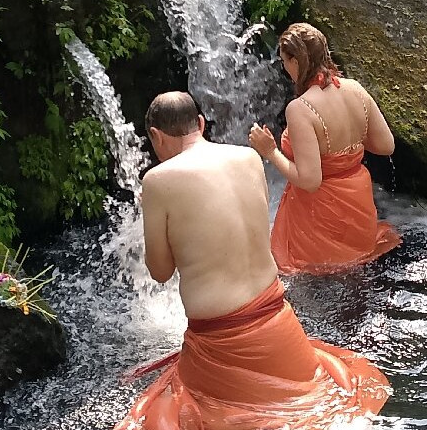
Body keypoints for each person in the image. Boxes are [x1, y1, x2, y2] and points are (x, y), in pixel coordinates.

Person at [114, 91, 390, 430]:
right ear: (200, 124)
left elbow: (160, 271)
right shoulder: (246, 157)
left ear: (156, 137)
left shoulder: (158, 181)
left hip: (220, 344)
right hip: (277, 320)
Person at [249, 23, 401, 275]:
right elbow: (386, 145)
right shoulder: (355, 89)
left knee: (318, 282)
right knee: (357, 277)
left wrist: (270, 151)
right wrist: (347, 148)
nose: (285, 68)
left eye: (284, 61)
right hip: (357, 203)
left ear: (296, 60)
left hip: (321, 219)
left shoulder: (300, 109)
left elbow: (310, 181)